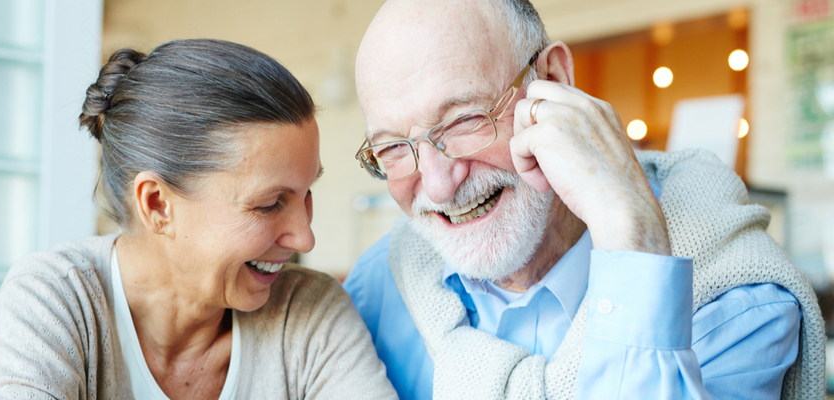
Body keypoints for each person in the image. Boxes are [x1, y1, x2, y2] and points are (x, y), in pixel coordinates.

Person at [342, 1, 825, 399]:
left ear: (552, 78)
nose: (439, 184)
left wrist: (632, 235)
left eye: (465, 119)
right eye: (390, 148)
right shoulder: (376, 288)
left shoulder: (736, 300)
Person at [0, 39, 396, 400]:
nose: (305, 239)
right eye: (270, 203)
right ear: (157, 206)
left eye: (307, 195)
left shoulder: (308, 311)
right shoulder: (59, 298)